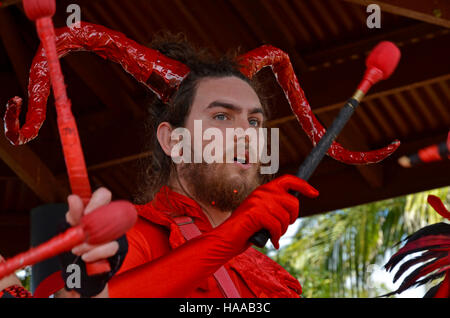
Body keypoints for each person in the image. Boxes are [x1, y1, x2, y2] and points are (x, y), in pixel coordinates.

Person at [57, 33, 319, 298]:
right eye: (221, 116)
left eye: (254, 122)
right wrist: (226, 239)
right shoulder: (130, 239)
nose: (247, 133)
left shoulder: (270, 275)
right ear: (172, 141)